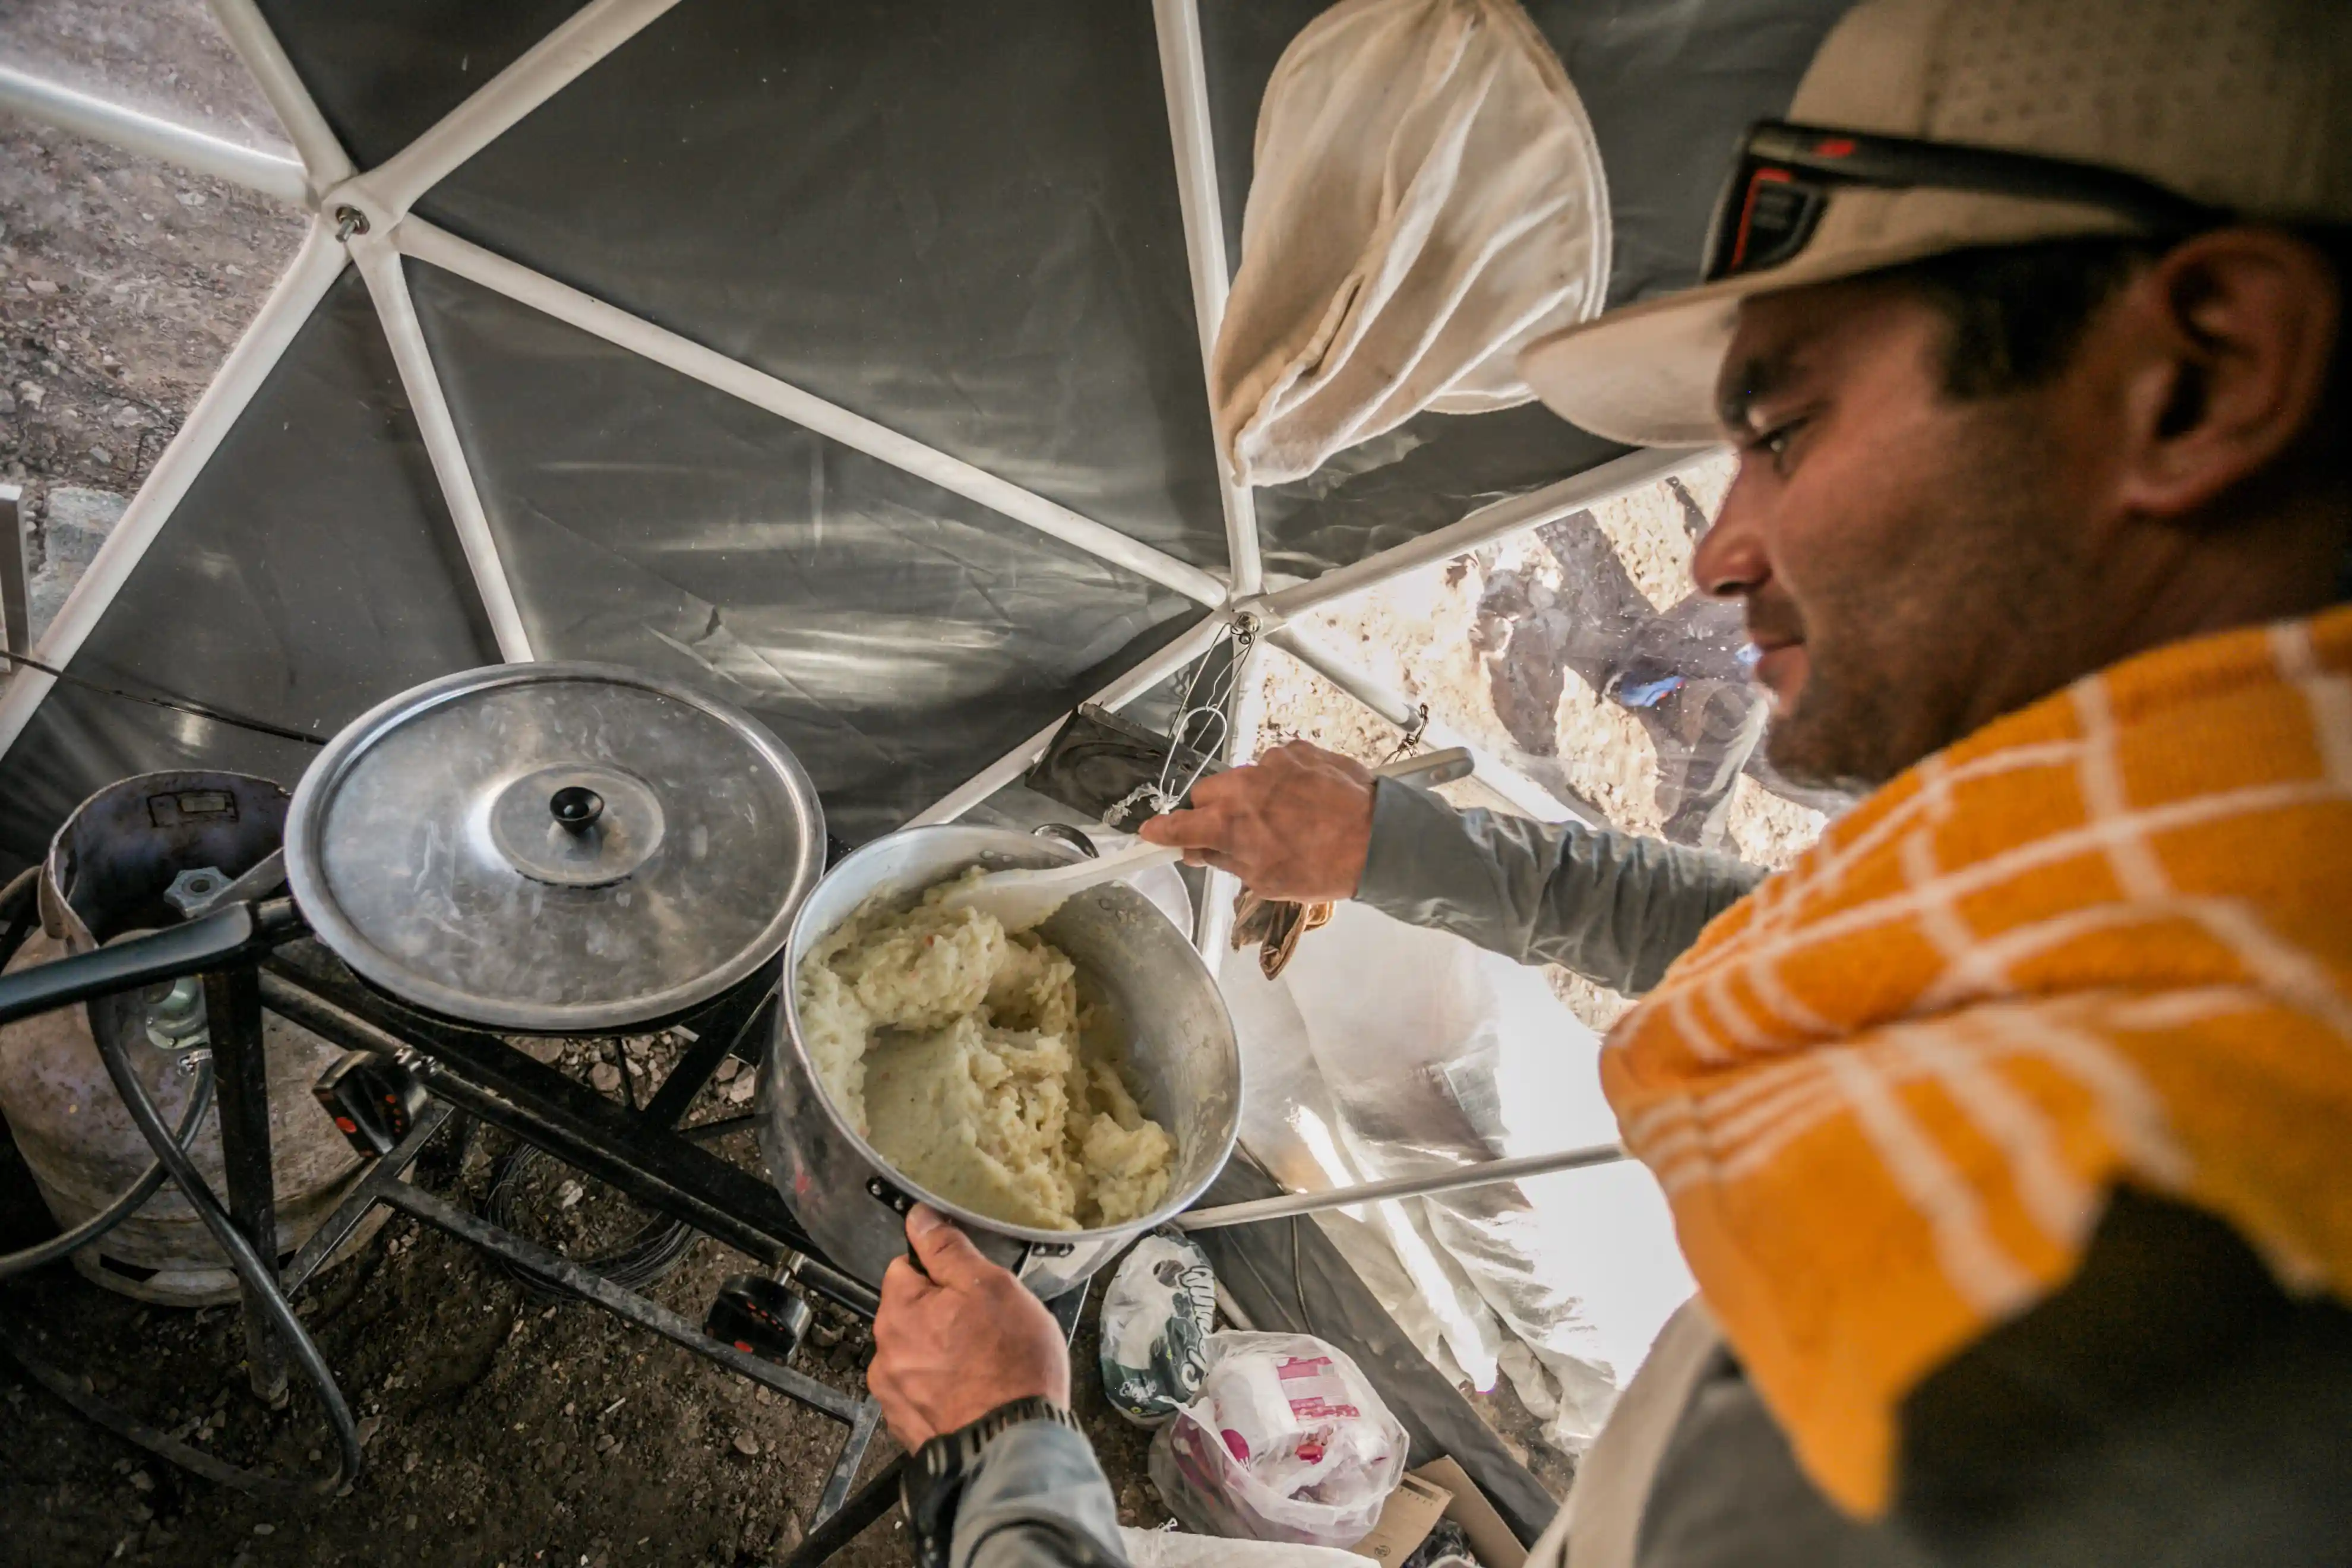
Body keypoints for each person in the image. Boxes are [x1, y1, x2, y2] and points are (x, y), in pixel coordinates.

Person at [866, 0, 2352, 1562]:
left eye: (1783, 425)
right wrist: (1393, 843)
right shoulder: (2172, 895)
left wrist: (1016, 1463)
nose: (1716, 553)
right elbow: (1780, 927)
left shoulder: (2088, 1381)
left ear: (2198, 376)